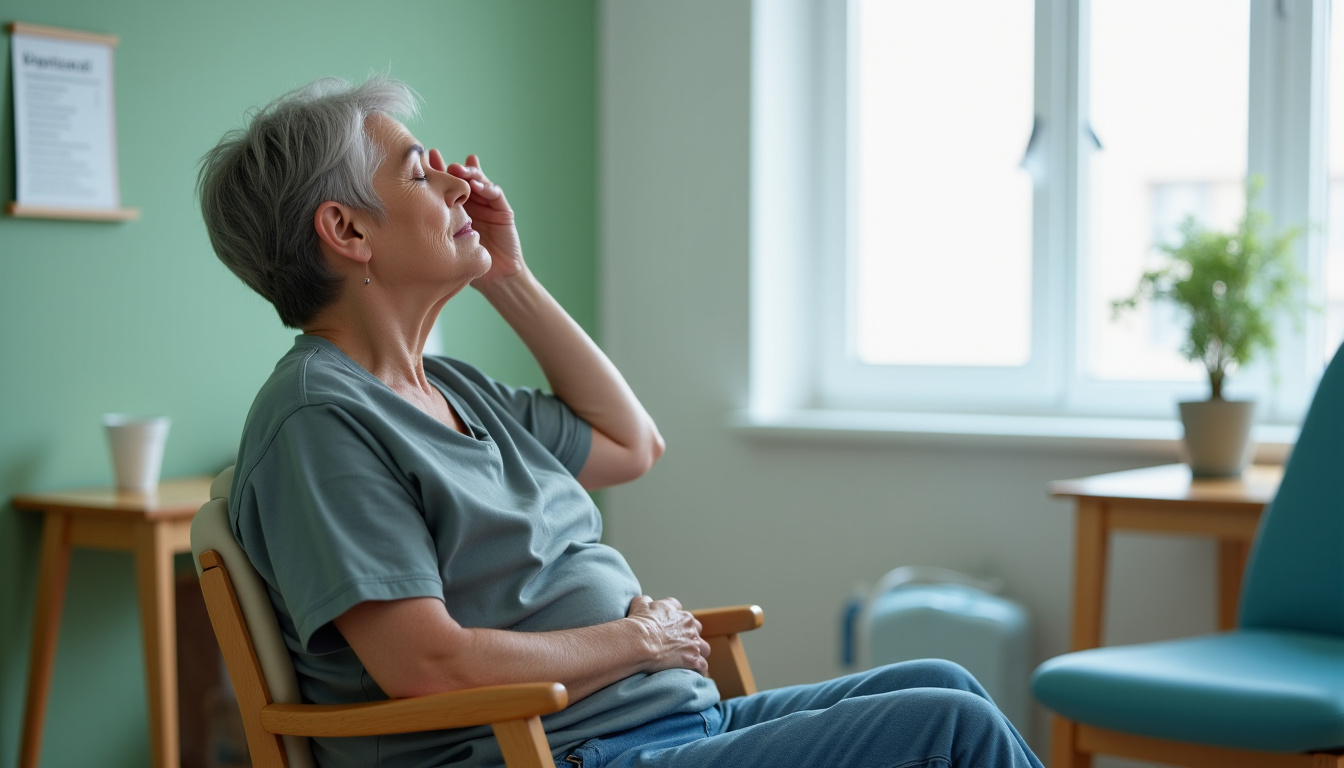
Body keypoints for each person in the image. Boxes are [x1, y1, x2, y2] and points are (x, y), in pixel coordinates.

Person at [198, 75, 1044, 768]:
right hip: (556, 753)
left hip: (657, 730)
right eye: (421, 174)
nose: (460, 182)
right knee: (950, 733)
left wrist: (509, 276)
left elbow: (630, 444)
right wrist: (637, 641)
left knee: (949, 683)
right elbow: (425, 663)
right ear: (346, 230)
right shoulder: (320, 422)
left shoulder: (452, 386)